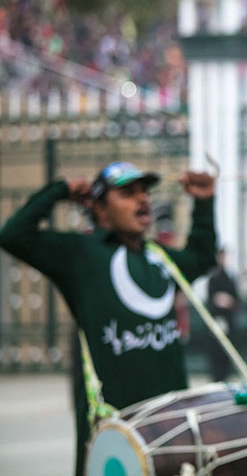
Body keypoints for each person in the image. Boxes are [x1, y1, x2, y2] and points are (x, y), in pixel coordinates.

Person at [0, 161, 217, 476]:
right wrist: (61, 190)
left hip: (169, 421)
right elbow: (13, 235)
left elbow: (202, 257)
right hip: (114, 424)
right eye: (128, 193)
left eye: (144, 192)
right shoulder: (80, 254)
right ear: (100, 209)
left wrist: (204, 201)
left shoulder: (159, 257)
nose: (143, 199)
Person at [207, 248, 239, 381]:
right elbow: (211, 299)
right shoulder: (214, 276)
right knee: (217, 350)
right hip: (217, 319)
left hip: (228, 320)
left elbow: (236, 298)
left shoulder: (229, 276)